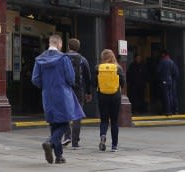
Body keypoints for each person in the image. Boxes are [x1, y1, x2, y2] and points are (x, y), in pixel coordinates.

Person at [31, 34, 84, 164]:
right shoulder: (63, 58)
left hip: (47, 95)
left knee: (55, 123)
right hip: (62, 94)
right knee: (65, 123)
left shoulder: (39, 59)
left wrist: (46, 86)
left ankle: (59, 156)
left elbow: (35, 79)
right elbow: (71, 78)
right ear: (59, 44)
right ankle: (49, 142)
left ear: (49, 43)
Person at [91, 49, 126, 152]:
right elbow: (123, 83)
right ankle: (114, 146)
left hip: (102, 96)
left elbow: (94, 83)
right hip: (115, 96)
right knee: (114, 121)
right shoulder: (118, 68)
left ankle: (103, 135)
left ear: (103, 57)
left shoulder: (98, 68)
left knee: (104, 119)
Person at [62, 38, 91, 149]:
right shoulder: (83, 59)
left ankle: (67, 137)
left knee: (65, 113)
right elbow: (88, 77)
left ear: (68, 46)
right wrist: (88, 92)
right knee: (77, 115)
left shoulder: (61, 58)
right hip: (79, 90)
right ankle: (75, 142)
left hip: (65, 89)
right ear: (78, 48)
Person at [157, 49, 179, 115]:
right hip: (170, 82)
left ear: (163, 54)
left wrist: (160, 79)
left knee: (166, 96)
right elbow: (176, 73)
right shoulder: (172, 62)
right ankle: (173, 110)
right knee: (171, 96)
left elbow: (158, 71)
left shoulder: (162, 61)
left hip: (164, 81)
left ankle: (167, 111)